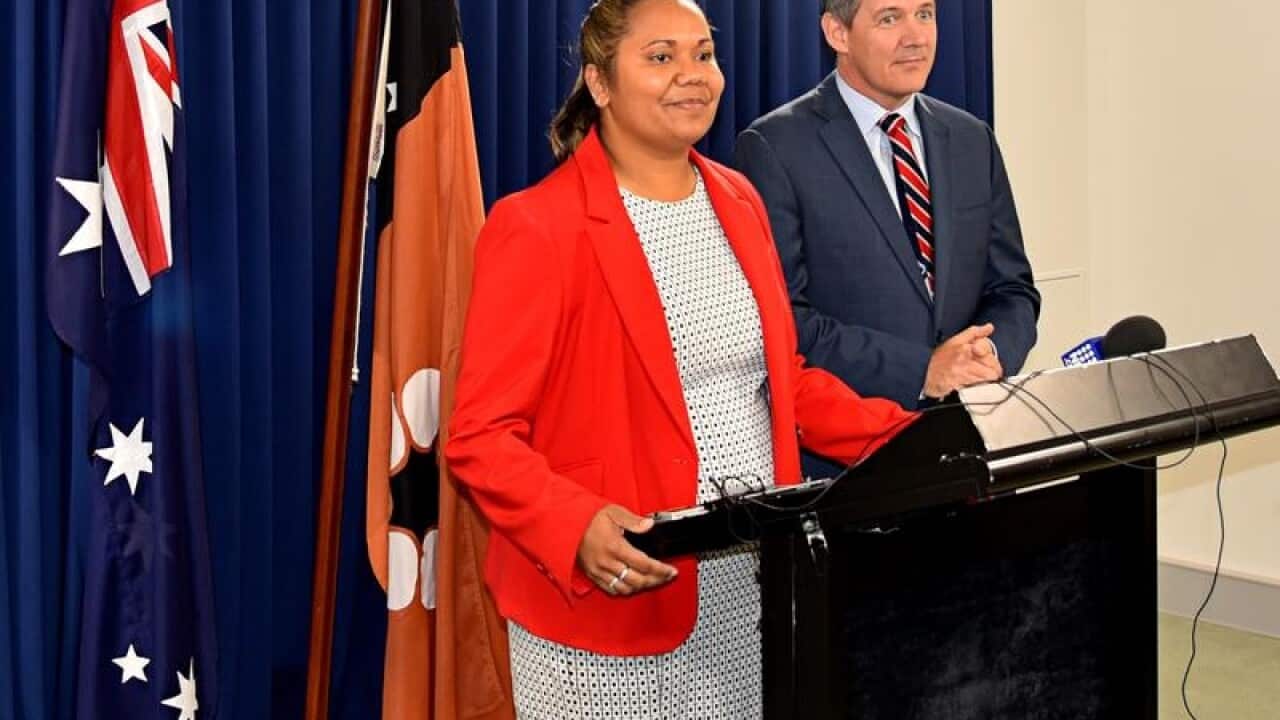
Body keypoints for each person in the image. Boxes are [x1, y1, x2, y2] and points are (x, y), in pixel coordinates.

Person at [443, 1, 915, 717]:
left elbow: (778, 383)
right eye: (661, 57)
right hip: (615, 605)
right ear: (600, 84)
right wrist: (575, 526)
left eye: (703, 54)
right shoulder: (535, 227)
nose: (692, 76)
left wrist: (914, 437)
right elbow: (479, 438)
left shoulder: (739, 199)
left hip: (750, 583)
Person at [734, 0, 1040, 447]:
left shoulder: (972, 138)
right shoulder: (775, 147)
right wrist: (922, 369)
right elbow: (785, 322)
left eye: (925, 14)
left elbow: (1013, 290)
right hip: (853, 461)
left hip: (971, 441)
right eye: (890, 18)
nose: (916, 37)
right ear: (838, 33)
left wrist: (989, 354)